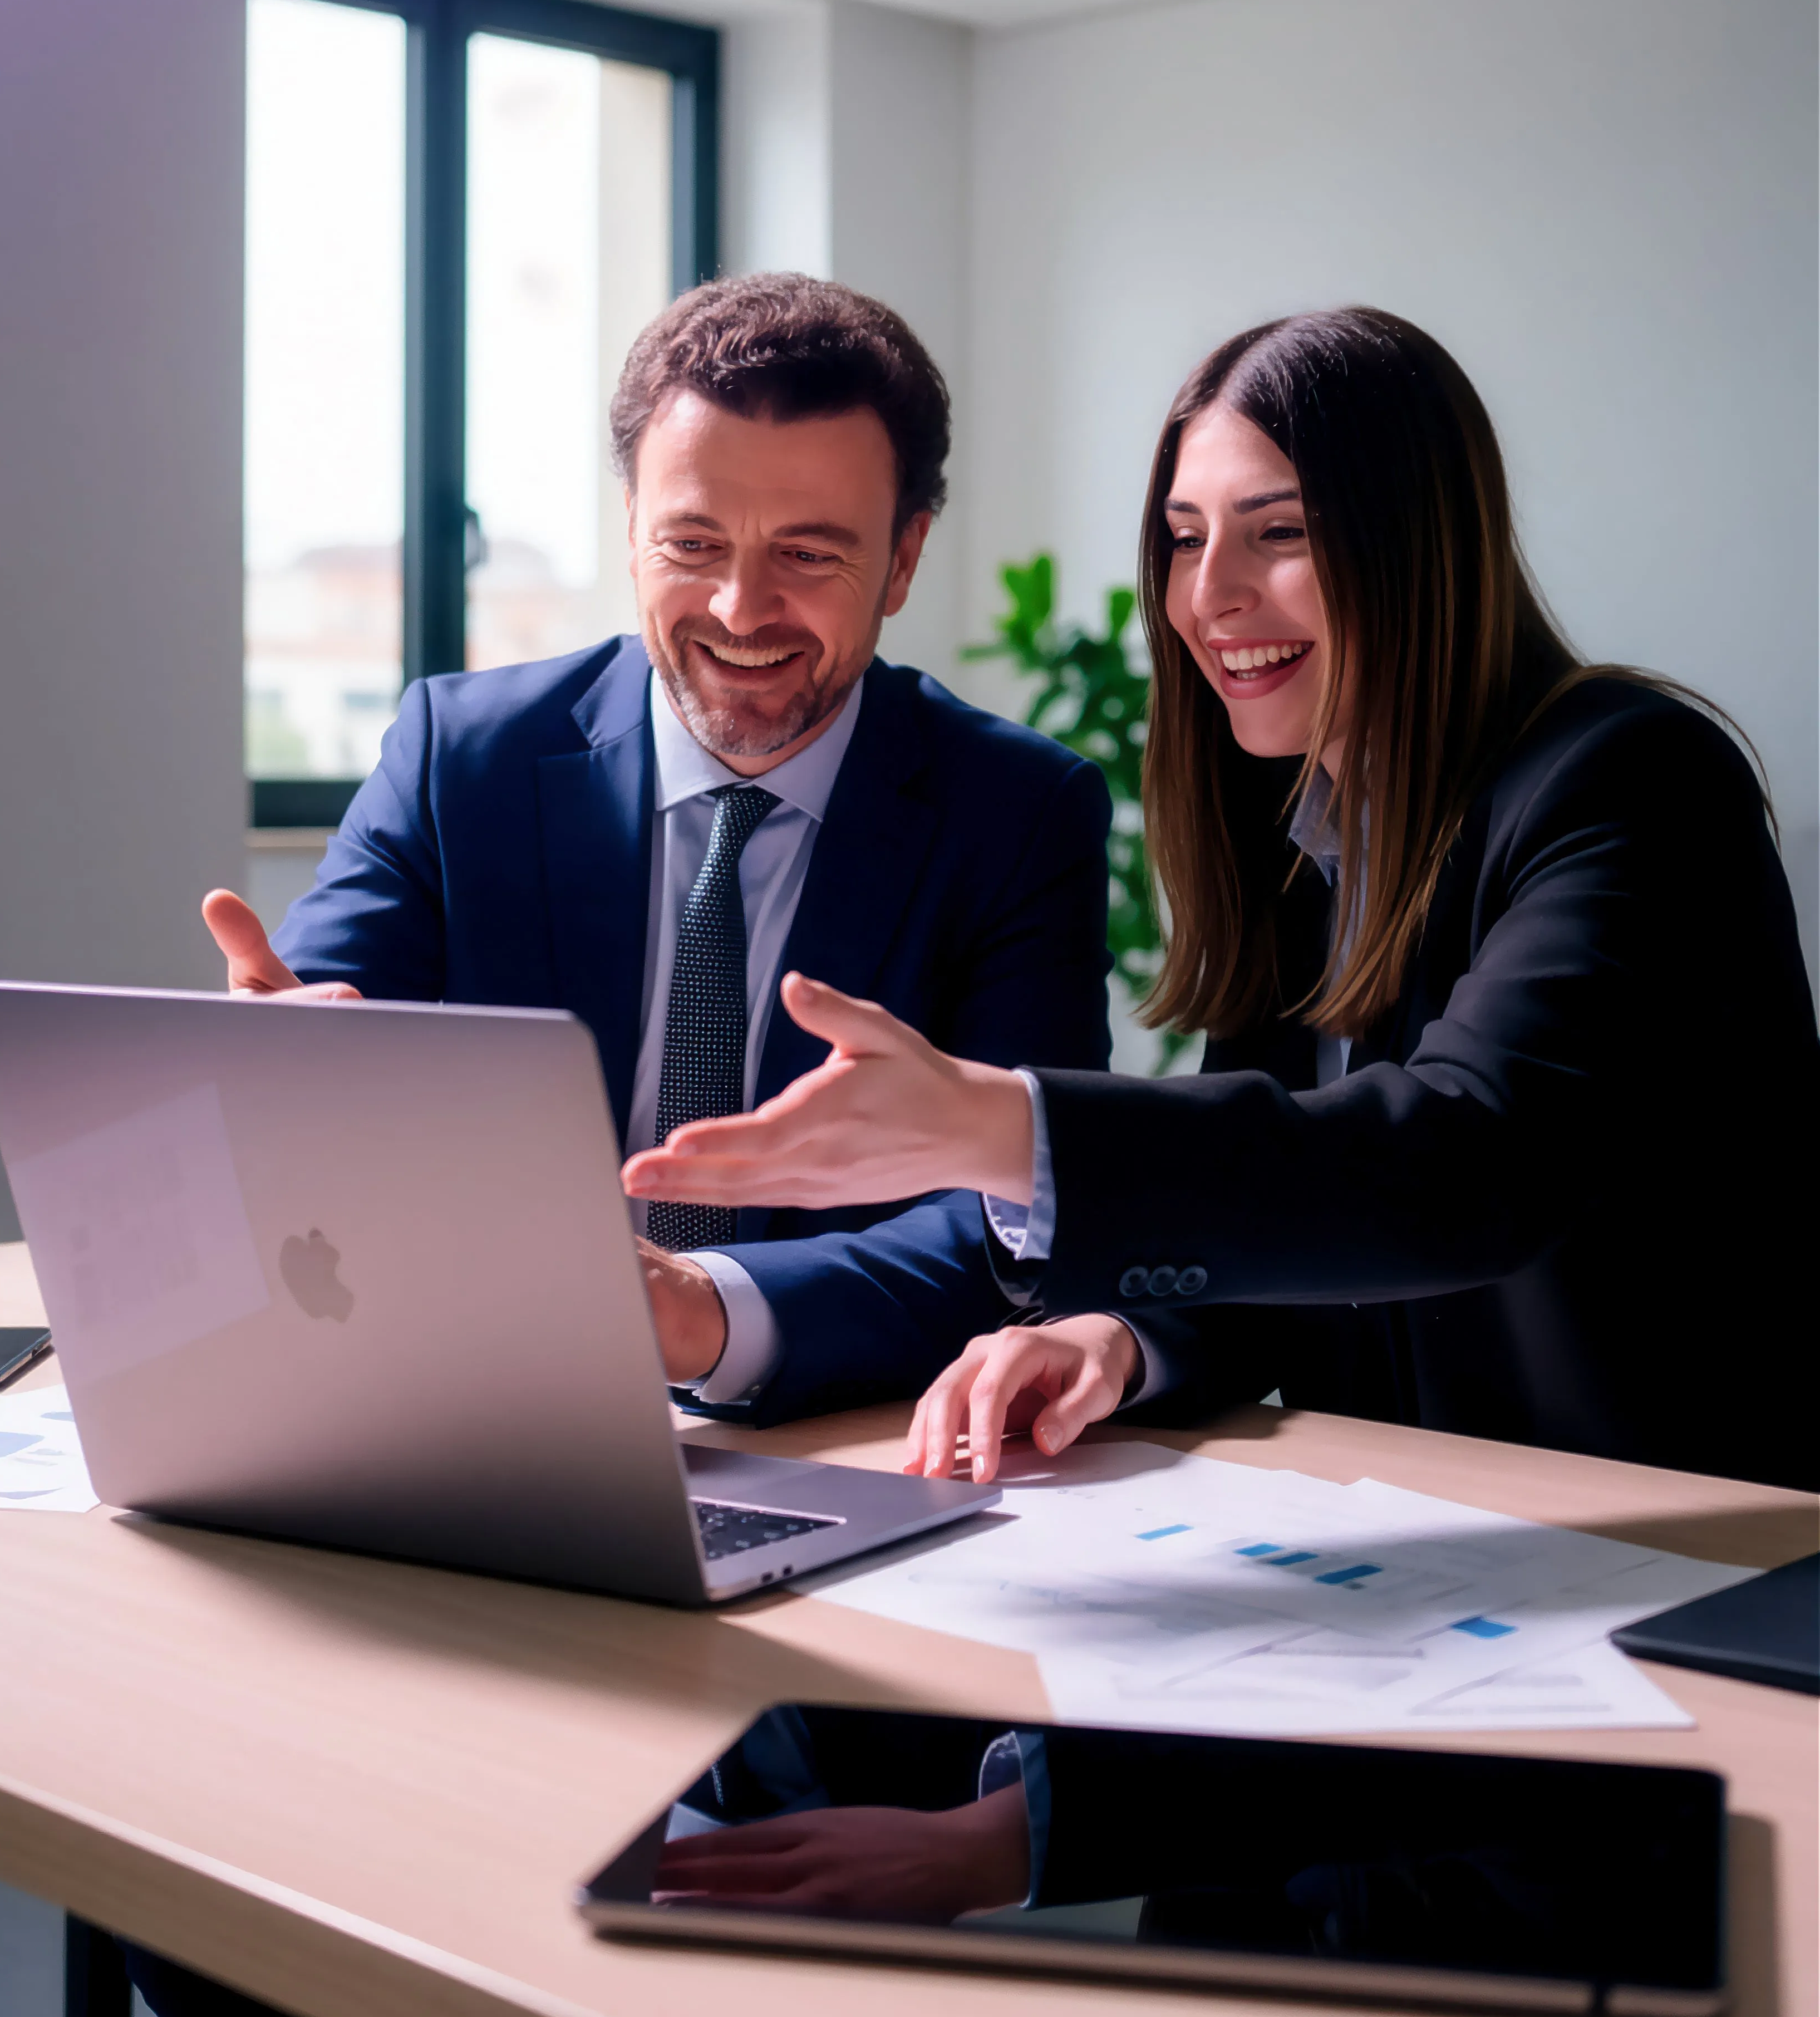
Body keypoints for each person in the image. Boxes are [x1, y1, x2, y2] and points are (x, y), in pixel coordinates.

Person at [624, 306, 1819, 1494]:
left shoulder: (1632, 779)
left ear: (1417, 543)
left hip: (1693, 1542)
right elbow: (1296, 1230)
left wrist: (1001, 1127)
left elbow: (1467, 1166)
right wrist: (1118, 1342)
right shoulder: (1302, 826)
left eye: (1279, 533)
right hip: (1428, 1537)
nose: (1209, 597)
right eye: (1186, 540)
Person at [206, 271, 1202, 1418]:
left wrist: (707, 1311)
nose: (740, 609)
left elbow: (1013, 1226)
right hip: (473, 1394)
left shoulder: (1016, 813)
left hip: (829, 1435)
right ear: (632, 531)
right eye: (692, 542)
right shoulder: (461, 759)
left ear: (904, 558)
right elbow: (315, 1040)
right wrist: (270, 1071)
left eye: (809, 554)